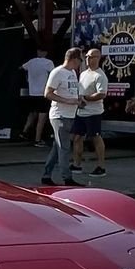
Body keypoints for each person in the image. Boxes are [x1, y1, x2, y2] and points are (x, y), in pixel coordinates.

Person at [41, 48, 84, 186]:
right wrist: (68, 101)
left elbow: (71, 91)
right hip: (59, 115)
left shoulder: (72, 73)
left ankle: (46, 175)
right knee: (64, 147)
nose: (80, 63)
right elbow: (47, 93)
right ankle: (67, 178)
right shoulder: (57, 72)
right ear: (74, 59)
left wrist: (78, 100)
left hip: (70, 114)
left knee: (58, 146)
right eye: (80, 60)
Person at [71, 48, 108, 177]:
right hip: (81, 112)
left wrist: (86, 98)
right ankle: (76, 164)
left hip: (94, 113)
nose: (88, 59)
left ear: (98, 58)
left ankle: (101, 166)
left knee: (96, 138)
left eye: (91, 57)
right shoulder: (83, 73)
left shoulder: (100, 75)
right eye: (87, 56)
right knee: (77, 138)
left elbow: (101, 94)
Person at [19, 48, 53, 146]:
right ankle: (37, 139)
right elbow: (53, 74)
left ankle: (24, 131)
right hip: (43, 93)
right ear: (46, 52)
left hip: (32, 92)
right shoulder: (48, 63)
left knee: (32, 113)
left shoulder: (31, 62)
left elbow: (21, 68)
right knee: (42, 117)